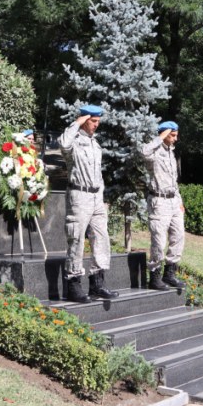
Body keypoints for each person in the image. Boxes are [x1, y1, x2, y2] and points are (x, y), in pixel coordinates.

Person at [58, 105, 119, 303]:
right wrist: (77, 122)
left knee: (101, 237)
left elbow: (98, 172)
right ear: (84, 120)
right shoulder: (74, 140)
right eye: (93, 121)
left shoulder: (95, 143)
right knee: (76, 238)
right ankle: (73, 283)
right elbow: (63, 143)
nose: (96, 125)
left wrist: (101, 194)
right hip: (79, 195)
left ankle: (97, 283)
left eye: (97, 122)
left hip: (96, 197)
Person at [141, 121, 186, 290]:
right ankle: (154, 276)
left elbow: (173, 180)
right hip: (159, 201)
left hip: (174, 200)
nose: (176, 138)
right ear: (165, 134)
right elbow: (144, 151)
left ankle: (170, 274)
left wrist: (179, 201)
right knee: (159, 241)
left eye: (176, 135)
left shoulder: (171, 153)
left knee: (178, 236)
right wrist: (159, 137)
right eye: (172, 135)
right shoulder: (154, 153)